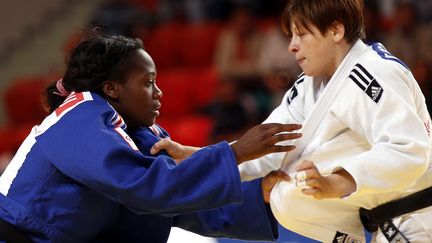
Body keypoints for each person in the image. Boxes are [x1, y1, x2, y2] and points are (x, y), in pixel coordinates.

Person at [153, 0, 432, 242]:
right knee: (287, 187)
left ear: (336, 30)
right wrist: (199, 158)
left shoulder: (372, 72)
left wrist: (338, 181)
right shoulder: (311, 84)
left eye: (301, 34)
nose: (291, 47)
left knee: (296, 175)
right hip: (388, 221)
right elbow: (266, 147)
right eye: (290, 36)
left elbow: (409, 149)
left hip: (420, 217)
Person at [0, 33, 303, 242]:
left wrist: (261, 195)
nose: (159, 92)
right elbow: (147, 189)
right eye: (148, 83)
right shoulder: (79, 115)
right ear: (111, 88)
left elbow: (179, 203)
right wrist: (235, 151)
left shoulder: (142, 135)